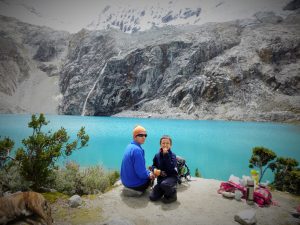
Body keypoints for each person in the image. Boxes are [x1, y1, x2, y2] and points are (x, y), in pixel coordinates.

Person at [120, 125, 155, 192]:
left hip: (125, 182)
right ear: (134, 136)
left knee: (148, 170)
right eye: (141, 135)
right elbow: (141, 174)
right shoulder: (137, 150)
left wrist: (147, 172)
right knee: (153, 176)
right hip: (135, 185)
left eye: (145, 135)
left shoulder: (129, 146)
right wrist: (150, 175)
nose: (144, 137)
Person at [149, 135, 178, 203]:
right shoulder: (157, 155)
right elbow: (153, 165)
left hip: (171, 177)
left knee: (165, 184)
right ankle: (164, 189)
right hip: (161, 180)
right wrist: (154, 170)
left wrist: (166, 155)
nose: (165, 145)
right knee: (152, 197)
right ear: (160, 144)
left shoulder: (173, 155)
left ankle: (173, 194)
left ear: (170, 145)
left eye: (167, 143)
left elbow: (170, 168)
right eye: (163, 143)